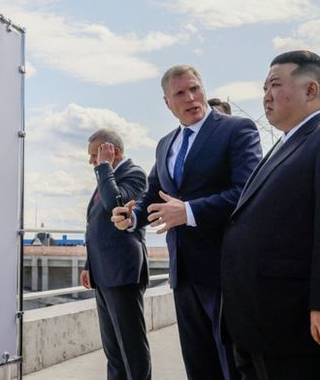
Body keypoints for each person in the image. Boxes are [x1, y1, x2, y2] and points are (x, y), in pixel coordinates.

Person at [112, 65, 261, 380]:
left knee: (233, 367)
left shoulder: (237, 129)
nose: (191, 97)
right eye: (180, 93)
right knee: (198, 365)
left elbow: (246, 192)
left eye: (195, 88)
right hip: (184, 274)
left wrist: (190, 211)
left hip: (225, 271)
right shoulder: (166, 143)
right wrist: (133, 216)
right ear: (167, 102)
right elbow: (154, 194)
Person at [221, 50, 320, 380]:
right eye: (264, 88)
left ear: (310, 90)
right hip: (259, 322)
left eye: (274, 85)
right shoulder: (283, 144)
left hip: (297, 324)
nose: (266, 97)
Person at [80, 129, 150, 380]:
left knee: (131, 347)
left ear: (113, 151)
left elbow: (115, 205)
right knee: (113, 350)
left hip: (123, 271)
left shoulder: (134, 174)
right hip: (103, 272)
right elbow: (95, 226)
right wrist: (89, 265)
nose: (92, 162)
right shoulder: (106, 177)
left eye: (94, 156)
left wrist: (104, 167)